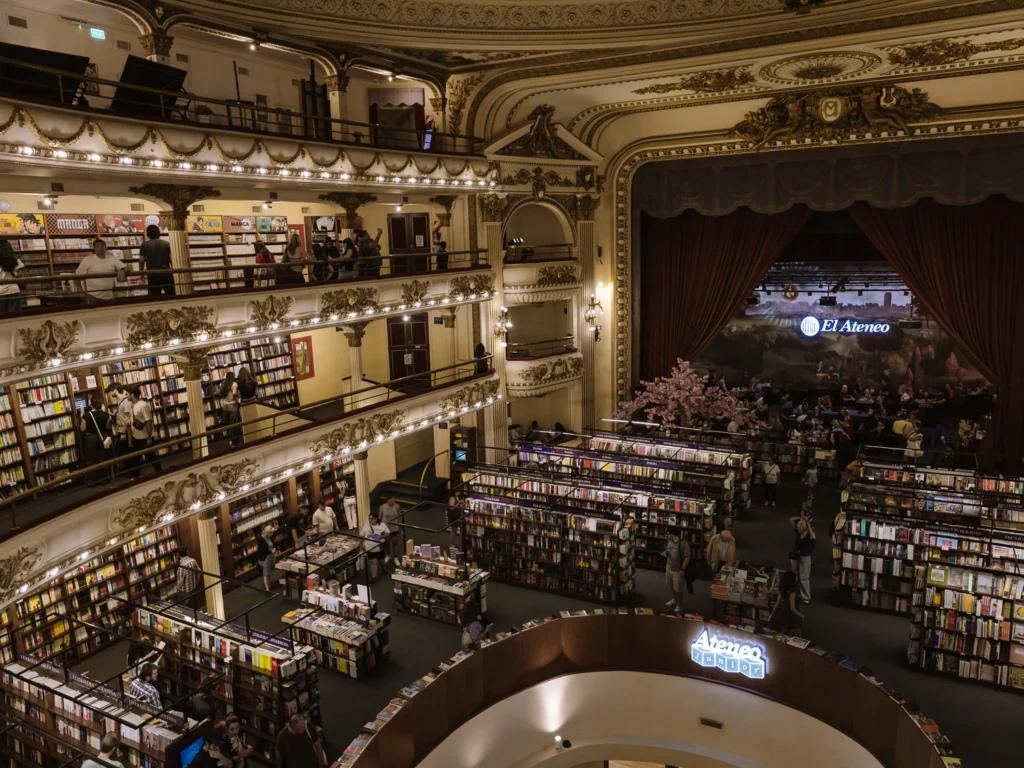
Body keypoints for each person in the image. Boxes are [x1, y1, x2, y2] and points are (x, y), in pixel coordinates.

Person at [130, 386, 161, 478]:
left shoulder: (143, 405)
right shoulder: (133, 405)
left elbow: (149, 420)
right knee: (136, 457)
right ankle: (136, 475)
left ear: (132, 394)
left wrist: (149, 436)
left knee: (151, 455)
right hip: (136, 436)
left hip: (144, 436)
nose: (126, 396)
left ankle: (159, 471)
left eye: (127, 394)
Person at [79, 395, 112, 482]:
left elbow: (82, 429)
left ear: (91, 405)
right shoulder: (105, 414)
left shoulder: (86, 415)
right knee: (103, 458)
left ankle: (92, 480)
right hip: (103, 437)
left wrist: (80, 417)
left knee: (91, 459)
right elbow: (108, 427)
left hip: (90, 438)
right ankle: (105, 478)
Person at [140, 224, 174, 297]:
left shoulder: (144, 245)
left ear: (148, 234)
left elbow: (141, 261)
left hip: (152, 274)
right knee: (171, 295)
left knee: (155, 297)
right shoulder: (167, 244)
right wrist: (173, 271)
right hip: (166, 273)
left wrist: (141, 272)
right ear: (159, 233)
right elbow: (171, 260)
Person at [789, 516, 816, 604]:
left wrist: (808, 525)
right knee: (794, 575)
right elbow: (791, 520)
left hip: (805, 557)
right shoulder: (798, 532)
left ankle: (806, 597)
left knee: (804, 577)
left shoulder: (809, 534)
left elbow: (813, 537)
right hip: (795, 556)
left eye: (799, 529)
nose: (798, 530)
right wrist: (801, 517)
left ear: (804, 529)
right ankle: (795, 593)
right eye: (797, 528)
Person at [107, 383, 133, 472]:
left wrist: (123, 432)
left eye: (110, 391)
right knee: (122, 451)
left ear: (115, 391)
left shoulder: (125, 401)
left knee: (124, 451)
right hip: (121, 429)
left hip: (124, 430)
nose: (110, 394)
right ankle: (127, 470)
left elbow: (127, 417)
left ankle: (129, 470)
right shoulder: (120, 400)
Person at [663, 528, 690, 610]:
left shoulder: (683, 543)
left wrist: (683, 569)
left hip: (678, 570)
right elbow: (668, 549)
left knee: (678, 589)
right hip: (669, 567)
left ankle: (679, 604)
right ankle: (675, 600)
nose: (666, 536)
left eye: (667, 534)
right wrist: (665, 553)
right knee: (671, 585)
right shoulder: (669, 540)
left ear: (671, 534)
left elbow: (687, 557)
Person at [774, 570, 805, 637]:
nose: (797, 578)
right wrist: (801, 615)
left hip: (785, 612)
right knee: (797, 633)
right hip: (792, 616)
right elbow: (792, 608)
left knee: (785, 631)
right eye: (795, 577)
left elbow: (777, 602)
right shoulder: (793, 591)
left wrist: (773, 613)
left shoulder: (782, 588)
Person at [360, 511, 390, 581]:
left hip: (380, 548)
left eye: (372, 519)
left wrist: (381, 537)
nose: (370, 520)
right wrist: (361, 546)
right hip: (370, 548)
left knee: (381, 561)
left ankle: (383, 569)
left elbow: (388, 533)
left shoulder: (382, 525)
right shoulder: (366, 526)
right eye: (369, 519)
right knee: (373, 562)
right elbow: (361, 536)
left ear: (376, 519)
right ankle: (374, 577)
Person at [174, 544, 202, 611]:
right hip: (193, 588)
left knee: (185, 609)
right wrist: (196, 582)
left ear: (178, 555)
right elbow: (199, 571)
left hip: (184, 591)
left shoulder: (182, 566)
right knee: (194, 607)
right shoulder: (193, 561)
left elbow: (181, 581)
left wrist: (177, 589)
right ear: (187, 552)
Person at [219, 372, 242, 446]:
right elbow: (234, 393)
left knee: (228, 424)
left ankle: (231, 440)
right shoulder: (234, 384)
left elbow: (220, 393)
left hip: (224, 406)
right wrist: (237, 396)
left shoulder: (223, 383)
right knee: (234, 424)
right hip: (232, 405)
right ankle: (236, 441)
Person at [0, 241, 23, 314]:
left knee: (2, 318)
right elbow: (22, 265)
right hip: (14, 289)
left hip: (1, 291)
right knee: (14, 317)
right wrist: (15, 269)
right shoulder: (13, 259)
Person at [257, 524, 276, 591]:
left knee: (269, 572)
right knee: (266, 573)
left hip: (270, 557)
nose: (273, 534)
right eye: (272, 533)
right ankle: (267, 589)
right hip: (265, 558)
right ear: (268, 533)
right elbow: (262, 551)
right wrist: (271, 552)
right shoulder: (261, 540)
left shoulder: (268, 537)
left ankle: (268, 584)